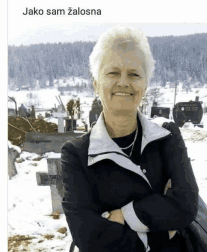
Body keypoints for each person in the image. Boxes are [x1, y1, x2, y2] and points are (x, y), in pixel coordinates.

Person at [61, 26, 198, 252]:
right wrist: (159, 236)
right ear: (96, 83)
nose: (123, 82)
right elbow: (90, 238)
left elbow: (185, 206)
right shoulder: (76, 155)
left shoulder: (167, 137)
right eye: (113, 73)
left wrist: (125, 215)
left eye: (134, 74)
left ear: (145, 86)